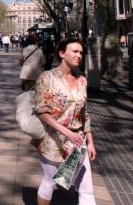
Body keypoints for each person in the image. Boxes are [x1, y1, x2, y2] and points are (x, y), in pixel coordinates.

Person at [34, 38, 97, 205]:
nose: (79, 55)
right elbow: (41, 112)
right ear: (62, 53)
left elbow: (84, 113)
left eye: (81, 53)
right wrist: (67, 132)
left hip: (78, 142)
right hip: (53, 141)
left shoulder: (82, 81)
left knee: (86, 190)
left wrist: (90, 142)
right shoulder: (46, 77)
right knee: (50, 183)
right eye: (75, 51)